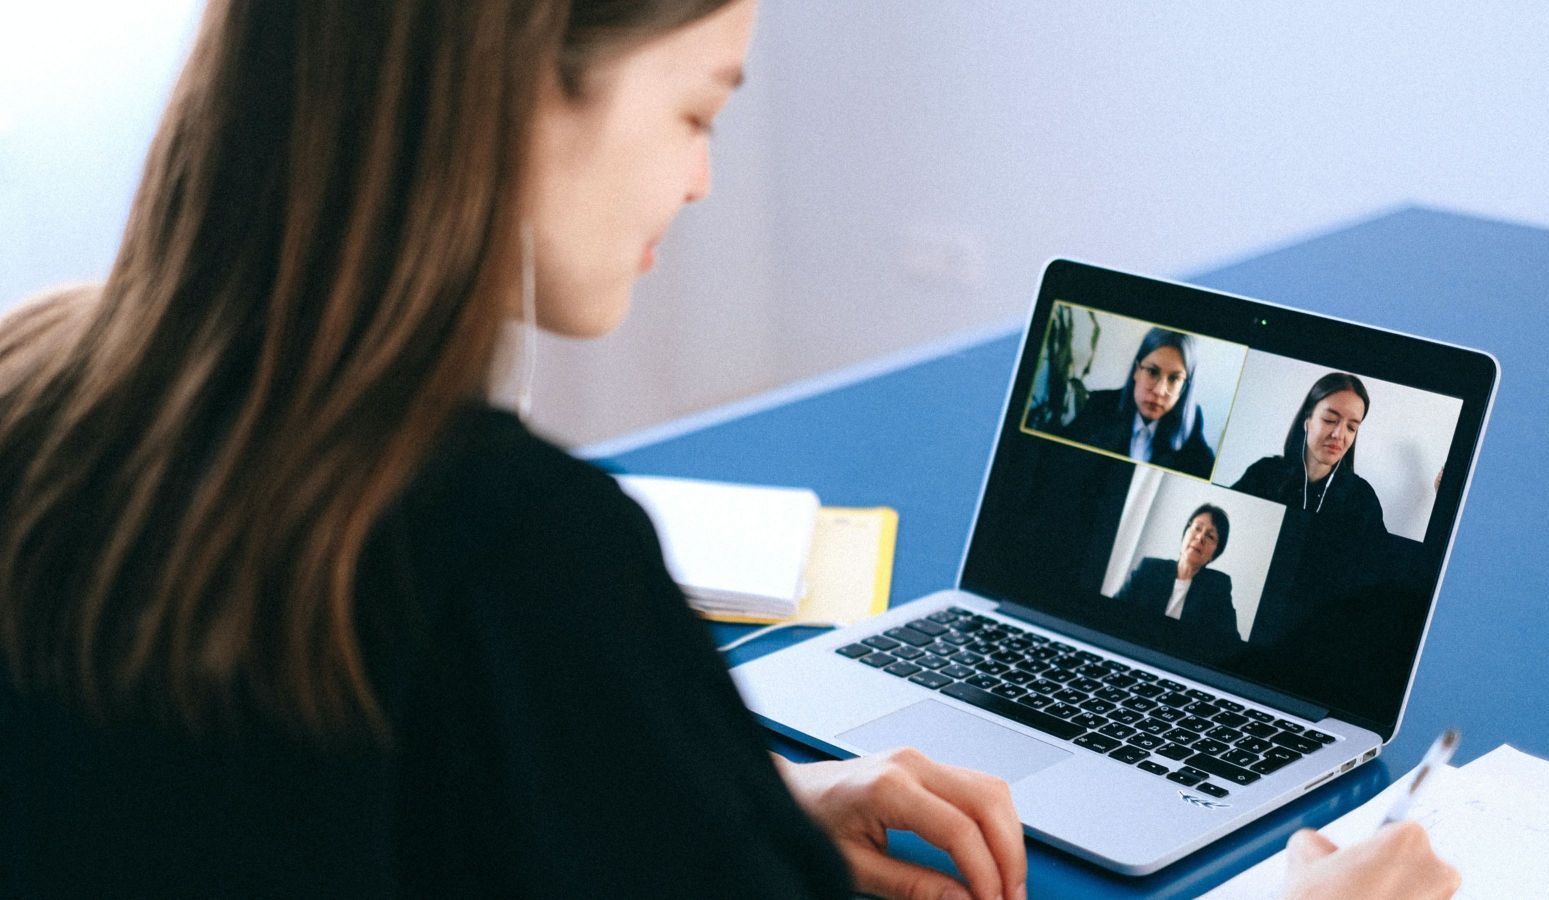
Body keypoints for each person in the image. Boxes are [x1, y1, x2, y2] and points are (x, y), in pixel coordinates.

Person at [0, 2, 1457, 897]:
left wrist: (729, 803)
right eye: (698, 107)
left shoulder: (37, 391)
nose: (701, 178)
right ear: (516, 76)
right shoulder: (518, 560)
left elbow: (335, 815)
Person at [1230, 372, 1386, 538]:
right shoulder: (1263, 474)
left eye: (1351, 427)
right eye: (1329, 419)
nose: (1339, 435)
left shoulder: (1362, 498)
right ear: (1307, 420)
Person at [1062, 327, 1216, 478]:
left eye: (1174, 379)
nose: (1159, 391)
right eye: (1152, 372)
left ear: (1185, 387)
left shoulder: (1191, 422)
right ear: (1136, 370)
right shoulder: (1100, 405)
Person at [1115, 504, 1239, 639]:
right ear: (1185, 533)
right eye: (1197, 528)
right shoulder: (1149, 569)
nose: (1200, 537)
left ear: (1214, 554)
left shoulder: (1217, 587)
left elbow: (1229, 641)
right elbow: (1114, 611)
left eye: (1210, 536)